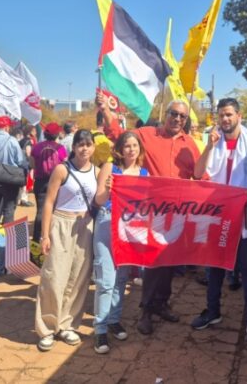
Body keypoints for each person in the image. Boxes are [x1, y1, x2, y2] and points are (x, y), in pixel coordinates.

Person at [100, 93, 202, 336]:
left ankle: (161, 304)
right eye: (174, 114)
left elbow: (199, 176)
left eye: (182, 116)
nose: (177, 119)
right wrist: (106, 111)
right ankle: (146, 310)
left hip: (176, 212)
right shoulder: (147, 134)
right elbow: (118, 135)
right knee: (154, 262)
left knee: (170, 261)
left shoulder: (189, 144)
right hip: (151, 211)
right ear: (166, 114)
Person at [191, 98, 247, 347]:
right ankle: (212, 311)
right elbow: (197, 174)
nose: (225, 119)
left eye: (229, 114)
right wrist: (208, 146)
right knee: (214, 266)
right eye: (221, 115)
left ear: (239, 115)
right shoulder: (213, 141)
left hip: (246, 214)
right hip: (218, 215)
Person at [35, 129, 98, 351]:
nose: (84, 149)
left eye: (88, 144)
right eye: (81, 144)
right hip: (61, 224)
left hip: (86, 226)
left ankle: (68, 325)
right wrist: (45, 235)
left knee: (78, 278)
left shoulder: (97, 172)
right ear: (74, 147)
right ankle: (47, 328)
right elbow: (49, 202)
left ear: (93, 147)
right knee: (54, 277)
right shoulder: (62, 169)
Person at [92, 131, 148, 354]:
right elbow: (98, 200)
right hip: (107, 223)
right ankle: (100, 329)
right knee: (106, 279)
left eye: (135, 145)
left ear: (139, 149)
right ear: (120, 149)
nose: (131, 149)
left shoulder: (144, 173)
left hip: (129, 227)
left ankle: (114, 320)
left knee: (121, 278)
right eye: (127, 146)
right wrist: (107, 188)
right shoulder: (110, 168)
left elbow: (146, 205)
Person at [29, 122, 67, 243]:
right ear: (57, 134)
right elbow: (65, 165)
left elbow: (32, 164)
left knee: (40, 210)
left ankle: (36, 241)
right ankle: (51, 239)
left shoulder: (37, 147)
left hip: (40, 182)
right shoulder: (61, 148)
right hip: (56, 182)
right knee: (54, 211)